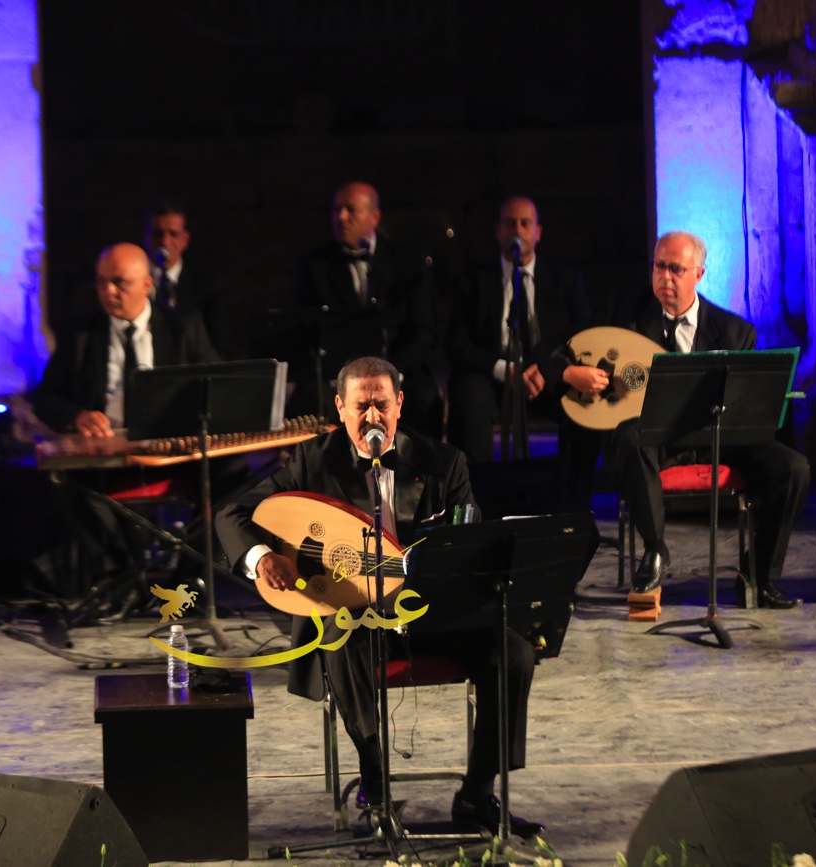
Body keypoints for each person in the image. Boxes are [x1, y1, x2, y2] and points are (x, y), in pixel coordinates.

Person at [215, 356, 542, 838]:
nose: (372, 417)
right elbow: (232, 513)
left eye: (382, 405)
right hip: (353, 618)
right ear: (340, 408)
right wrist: (262, 558)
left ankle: (477, 794)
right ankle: (375, 782)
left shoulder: (444, 463)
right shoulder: (311, 460)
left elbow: (472, 541)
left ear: (400, 404)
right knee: (342, 634)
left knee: (513, 653)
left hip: (430, 614)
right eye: (361, 406)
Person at [615, 231, 809, 608]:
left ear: (699, 274)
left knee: (793, 468)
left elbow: (748, 404)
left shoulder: (735, 331)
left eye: (675, 269)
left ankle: (759, 575)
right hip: (658, 438)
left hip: (723, 436)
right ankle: (655, 550)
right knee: (628, 439)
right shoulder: (628, 324)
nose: (665, 277)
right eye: (659, 266)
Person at [446, 195, 609, 510]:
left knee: (584, 405)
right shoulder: (473, 281)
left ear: (538, 232)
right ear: (498, 231)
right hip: (493, 375)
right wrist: (506, 371)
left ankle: (573, 504)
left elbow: (584, 334)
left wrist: (548, 368)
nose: (517, 231)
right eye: (510, 223)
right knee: (468, 397)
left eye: (525, 223)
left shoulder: (565, 279)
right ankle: (475, 501)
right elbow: (457, 345)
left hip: (548, 374)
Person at [290, 182, 443, 438]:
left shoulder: (407, 262)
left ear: (375, 217)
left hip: (398, 365)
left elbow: (424, 331)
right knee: (307, 400)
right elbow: (304, 329)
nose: (341, 217)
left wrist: (390, 374)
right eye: (337, 209)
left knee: (425, 399)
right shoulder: (314, 265)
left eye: (351, 209)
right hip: (337, 371)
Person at [31, 242, 220, 436]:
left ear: (146, 285)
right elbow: (45, 398)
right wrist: (77, 416)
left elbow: (218, 385)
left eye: (119, 282)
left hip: (166, 444)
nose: (108, 291)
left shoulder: (183, 328)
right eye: (101, 281)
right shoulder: (80, 334)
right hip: (103, 445)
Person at [142, 201, 232, 358]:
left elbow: (219, 346)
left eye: (173, 234)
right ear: (146, 237)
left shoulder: (207, 285)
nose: (165, 242)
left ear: (185, 239)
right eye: (158, 234)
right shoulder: (131, 280)